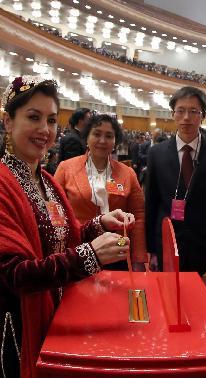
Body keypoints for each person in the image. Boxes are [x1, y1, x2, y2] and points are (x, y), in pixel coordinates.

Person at [0, 76, 135, 378]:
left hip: (56, 308)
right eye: (33, 117)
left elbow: (63, 238)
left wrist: (99, 224)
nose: (45, 130)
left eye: (50, 120)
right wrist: (90, 256)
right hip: (18, 326)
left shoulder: (45, 180)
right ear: (8, 122)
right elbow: (15, 274)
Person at [144, 86, 206, 275]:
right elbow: (151, 203)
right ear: (172, 114)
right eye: (181, 110)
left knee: (202, 300)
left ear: (203, 116)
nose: (186, 117)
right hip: (167, 242)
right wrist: (151, 249)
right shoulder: (156, 154)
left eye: (194, 111)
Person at [54, 113, 146, 267]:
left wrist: (138, 258)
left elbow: (139, 216)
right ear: (87, 137)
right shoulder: (66, 168)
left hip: (118, 249)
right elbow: (54, 210)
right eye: (96, 134)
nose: (102, 141)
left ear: (115, 141)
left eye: (109, 136)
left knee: (119, 291)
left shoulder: (127, 173)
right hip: (79, 250)